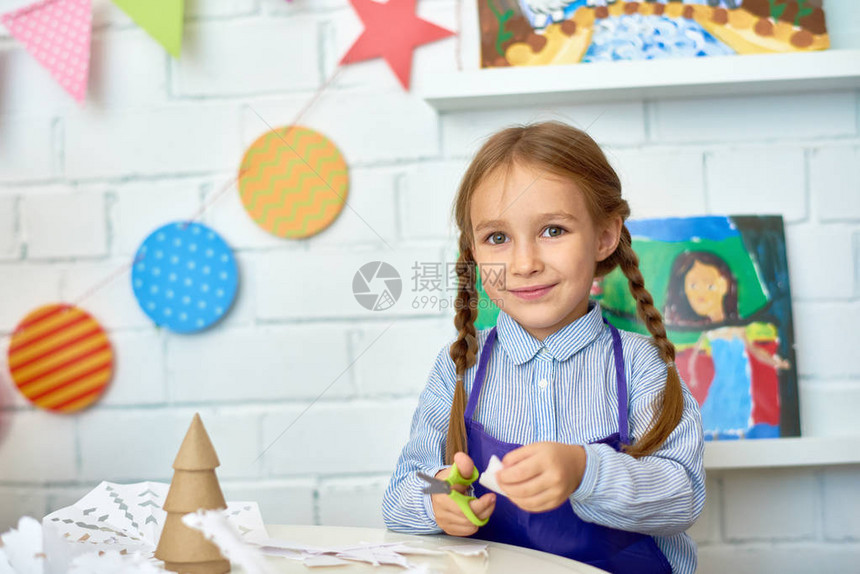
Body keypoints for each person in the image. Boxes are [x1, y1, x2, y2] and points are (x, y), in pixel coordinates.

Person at [382, 121, 705, 574]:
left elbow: (682, 497)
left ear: (605, 236)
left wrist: (584, 471)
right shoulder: (461, 367)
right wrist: (440, 496)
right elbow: (401, 492)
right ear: (473, 251)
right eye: (498, 238)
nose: (525, 264)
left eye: (553, 230)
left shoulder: (642, 365)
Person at [665, 250, 790, 439]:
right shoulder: (709, 331)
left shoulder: (739, 329)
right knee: (716, 415)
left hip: (739, 381)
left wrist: (775, 362)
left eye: (708, 284)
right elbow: (695, 354)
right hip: (722, 382)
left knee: (739, 418)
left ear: (723, 285)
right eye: (693, 285)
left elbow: (755, 351)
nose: (700, 291)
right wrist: (691, 374)